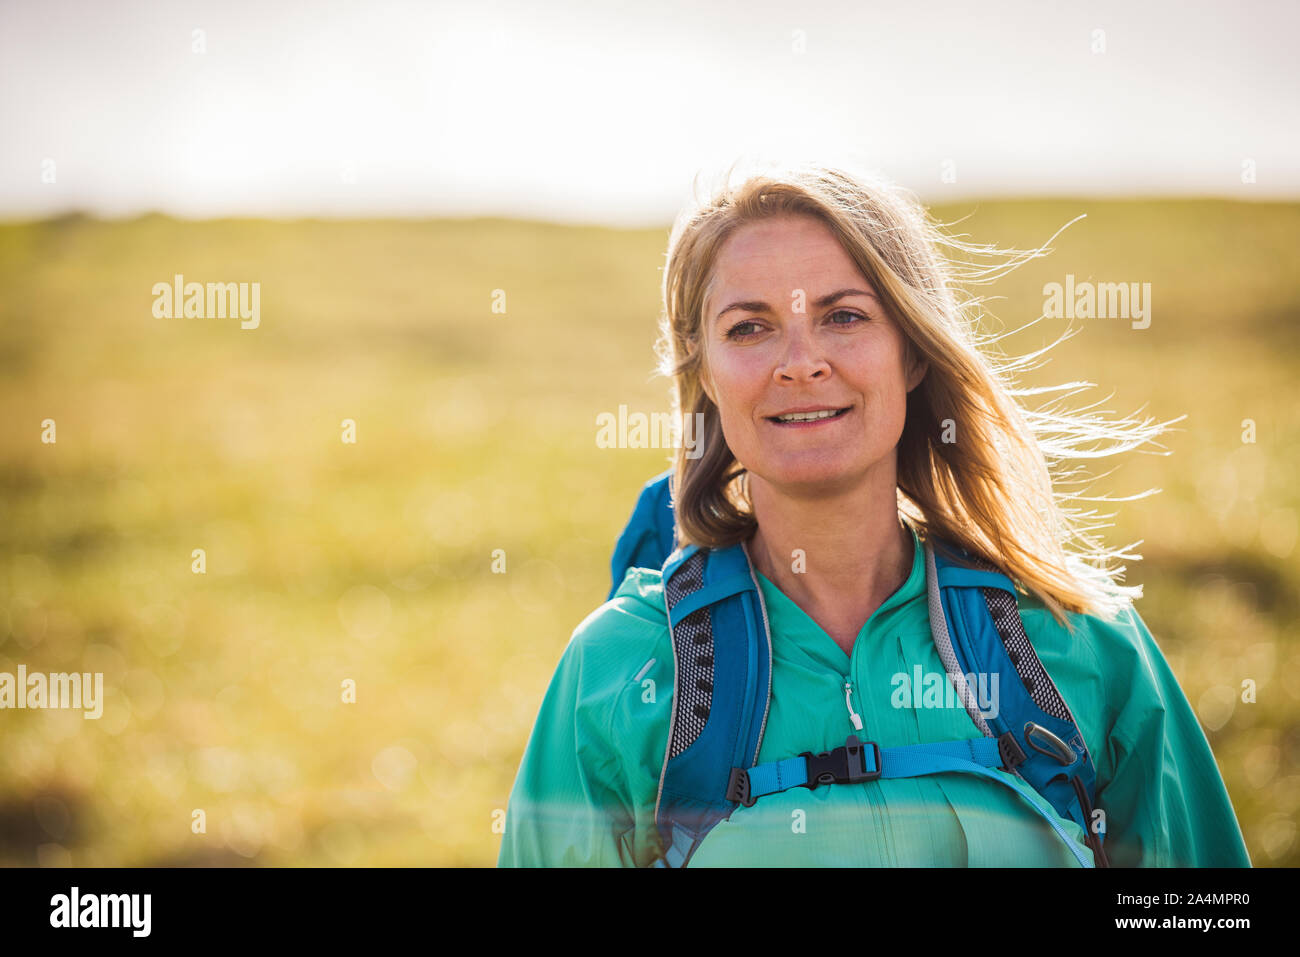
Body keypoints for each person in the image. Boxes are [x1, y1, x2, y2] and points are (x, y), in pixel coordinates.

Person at [497, 162, 1252, 867]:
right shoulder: (620, 672)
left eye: (845, 316)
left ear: (913, 352)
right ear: (706, 373)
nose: (800, 362)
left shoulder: (1082, 640)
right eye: (749, 327)